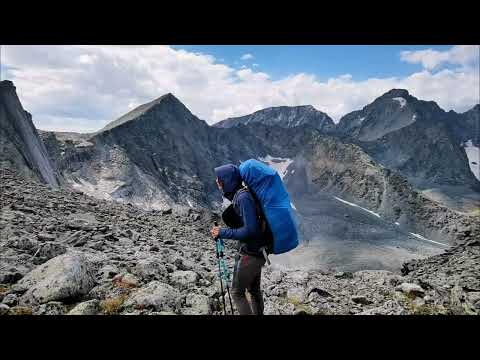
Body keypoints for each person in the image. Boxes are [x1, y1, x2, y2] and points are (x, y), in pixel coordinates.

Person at [210, 164, 268, 315]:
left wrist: (222, 232)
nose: (217, 182)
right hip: (258, 251)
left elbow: (250, 230)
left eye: (220, 179)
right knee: (254, 291)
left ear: (227, 180)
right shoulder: (241, 195)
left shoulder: (242, 197)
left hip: (250, 253)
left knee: (237, 293)